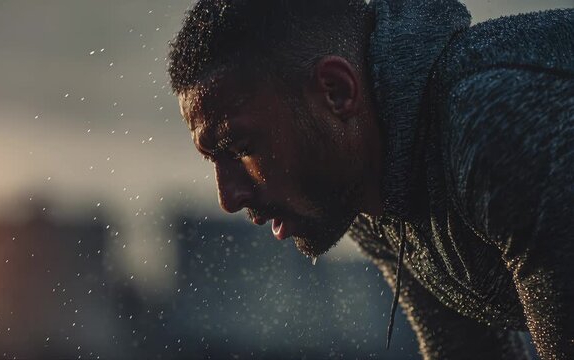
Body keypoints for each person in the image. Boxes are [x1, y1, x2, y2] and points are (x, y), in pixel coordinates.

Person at [167, 0, 573, 358]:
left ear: (336, 92)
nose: (228, 197)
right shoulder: (370, 194)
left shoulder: (493, 126)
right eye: (213, 160)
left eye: (239, 146)